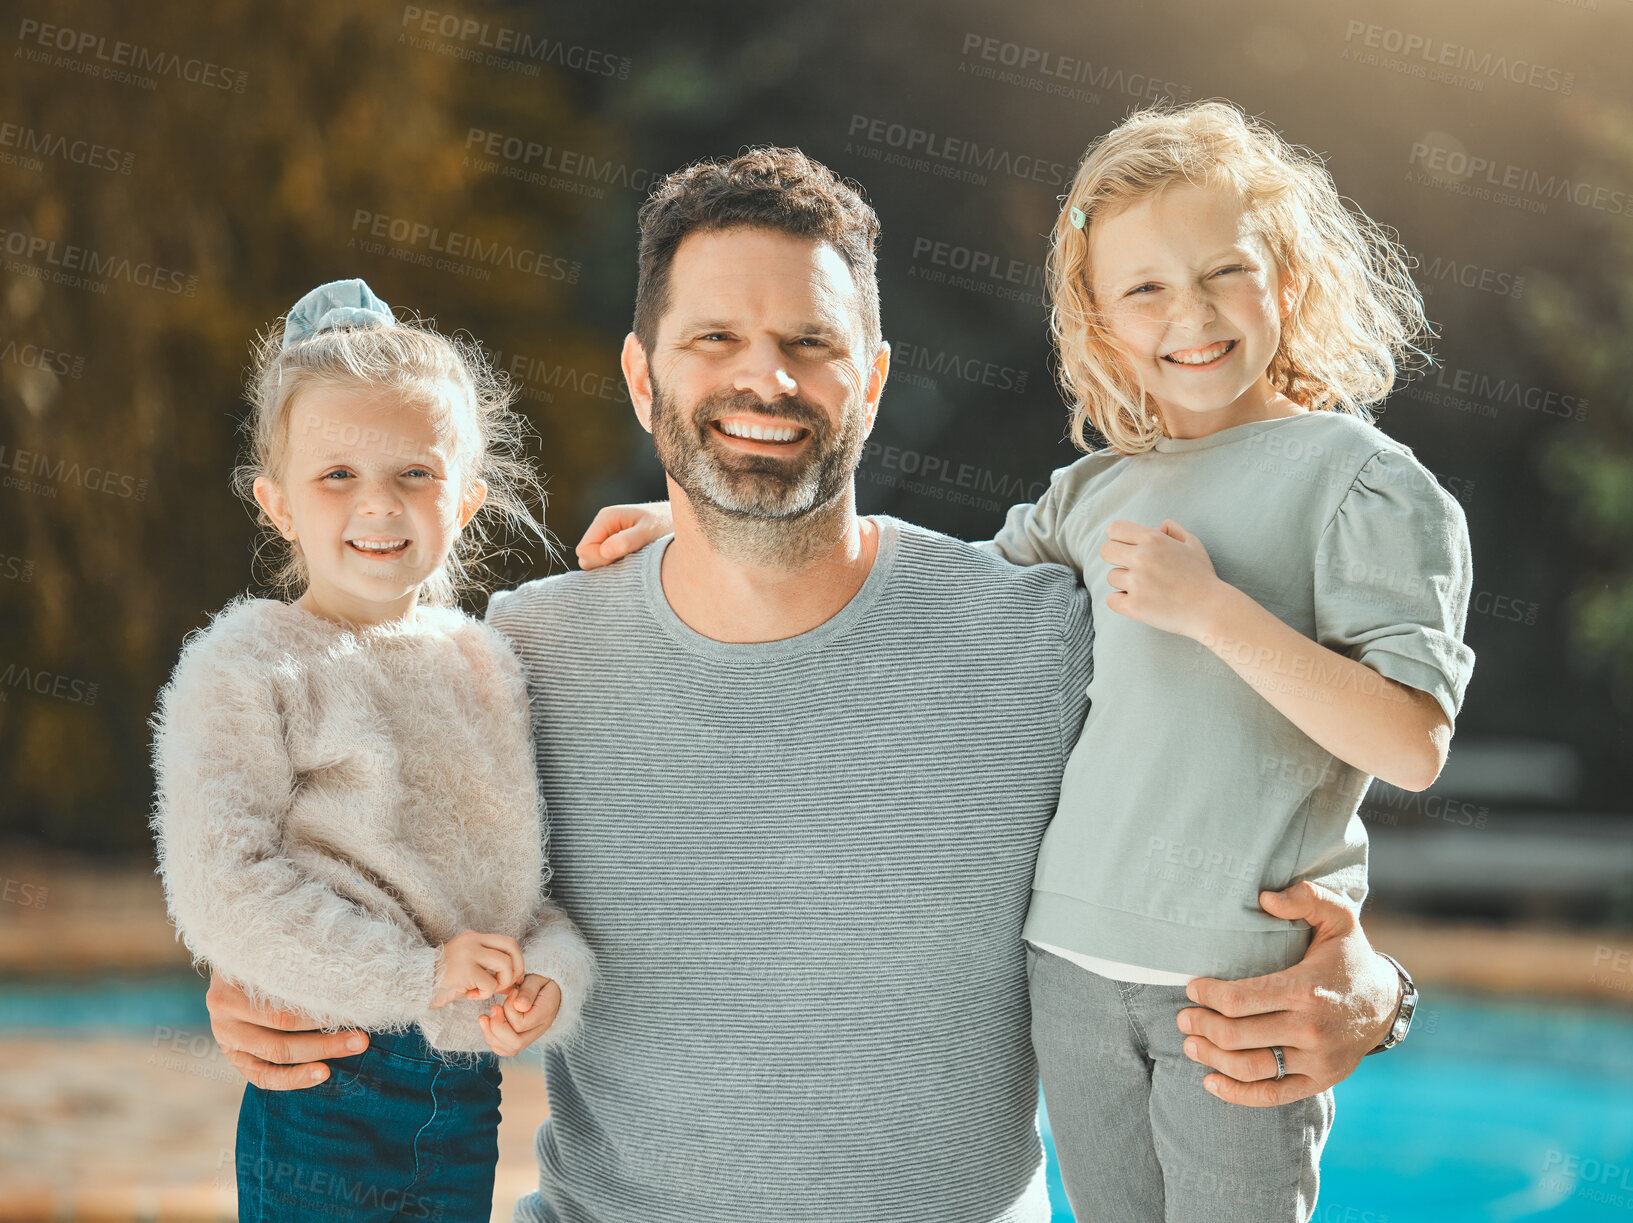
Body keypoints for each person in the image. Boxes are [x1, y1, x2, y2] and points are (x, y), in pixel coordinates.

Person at [206, 151, 1411, 1223]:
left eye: (809, 344)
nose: (763, 381)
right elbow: (339, 843)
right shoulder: (519, 659)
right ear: (643, 377)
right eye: (714, 341)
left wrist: (1376, 988)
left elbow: (1261, 779)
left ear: (872, 377)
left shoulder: (1043, 630)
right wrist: (248, 985)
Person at [580, 106, 1470, 1221]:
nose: (1187, 315)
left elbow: (1411, 740)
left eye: (1224, 272)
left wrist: (1214, 613)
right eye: (1143, 288)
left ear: (1287, 280)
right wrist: (711, 527)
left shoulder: (1361, 483)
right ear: (1098, 320)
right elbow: (927, 590)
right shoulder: (1094, 492)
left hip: (1236, 981)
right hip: (1069, 967)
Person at [149, 278, 596, 1221]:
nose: (379, 505)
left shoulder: (487, 663)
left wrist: (551, 973)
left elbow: (523, 892)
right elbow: (223, 887)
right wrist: (417, 977)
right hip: (327, 1076)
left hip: (467, 1096)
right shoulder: (247, 663)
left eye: (414, 473)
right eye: (337, 474)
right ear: (276, 503)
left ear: (467, 499)